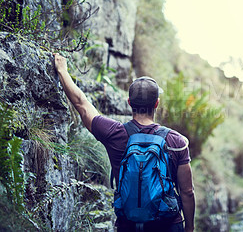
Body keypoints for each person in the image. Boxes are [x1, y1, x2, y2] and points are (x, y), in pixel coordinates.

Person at [53, 53, 195, 232]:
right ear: (156, 104)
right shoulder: (176, 141)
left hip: (129, 225)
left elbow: (81, 104)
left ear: (129, 102)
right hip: (167, 225)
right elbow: (187, 192)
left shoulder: (114, 133)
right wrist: (189, 227)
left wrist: (62, 71)